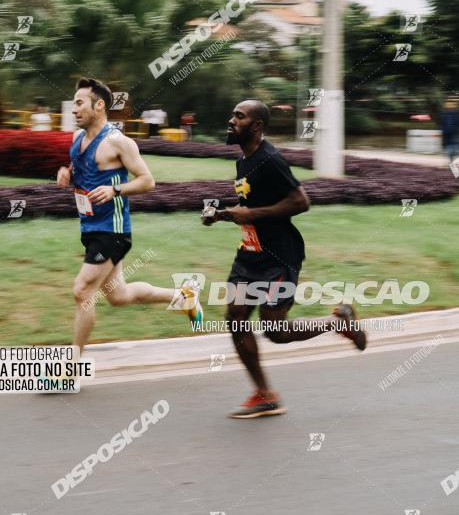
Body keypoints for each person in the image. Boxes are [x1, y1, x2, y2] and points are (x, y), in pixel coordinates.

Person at [201, 99, 367, 419]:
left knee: (275, 330)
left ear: (257, 126)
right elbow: (251, 208)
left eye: (239, 116)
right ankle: (265, 395)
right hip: (249, 254)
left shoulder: (270, 159)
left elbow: (300, 202)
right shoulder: (244, 161)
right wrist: (221, 215)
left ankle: (338, 322)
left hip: (279, 258)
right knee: (235, 319)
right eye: (232, 113)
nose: (231, 119)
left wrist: (245, 213)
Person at [56, 78, 201, 355]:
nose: (74, 109)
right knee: (119, 296)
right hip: (90, 227)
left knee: (83, 292)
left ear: (99, 105)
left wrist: (115, 190)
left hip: (113, 231)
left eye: (79, 103)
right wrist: (68, 175)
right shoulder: (77, 139)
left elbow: (148, 181)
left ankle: (69, 369)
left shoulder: (118, 142)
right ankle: (184, 298)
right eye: (73, 103)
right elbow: (82, 169)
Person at [440, 98, 459, 163]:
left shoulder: (446, 114)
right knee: (452, 147)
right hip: (450, 133)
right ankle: (451, 160)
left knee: (452, 147)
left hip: (451, 133)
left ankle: (451, 160)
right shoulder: (446, 114)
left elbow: (442, 124)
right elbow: (443, 123)